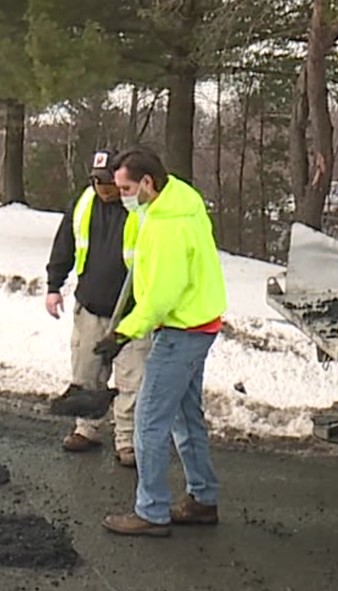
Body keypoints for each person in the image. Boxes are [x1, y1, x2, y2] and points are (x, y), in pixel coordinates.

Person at [98, 146, 227, 537]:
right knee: (185, 417)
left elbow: (160, 296)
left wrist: (123, 332)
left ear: (147, 183)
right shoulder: (178, 204)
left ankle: (151, 511)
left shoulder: (167, 226)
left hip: (181, 330)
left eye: (125, 188)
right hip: (199, 323)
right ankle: (202, 498)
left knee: (148, 422)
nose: (121, 195)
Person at [45, 149, 151, 467]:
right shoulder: (83, 204)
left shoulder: (140, 208)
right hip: (91, 306)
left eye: (107, 182)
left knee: (133, 378)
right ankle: (86, 428)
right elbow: (65, 243)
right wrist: (53, 286)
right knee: (87, 372)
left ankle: (127, 439)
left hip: (134, 311)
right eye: (96, 181)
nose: (102, 188)